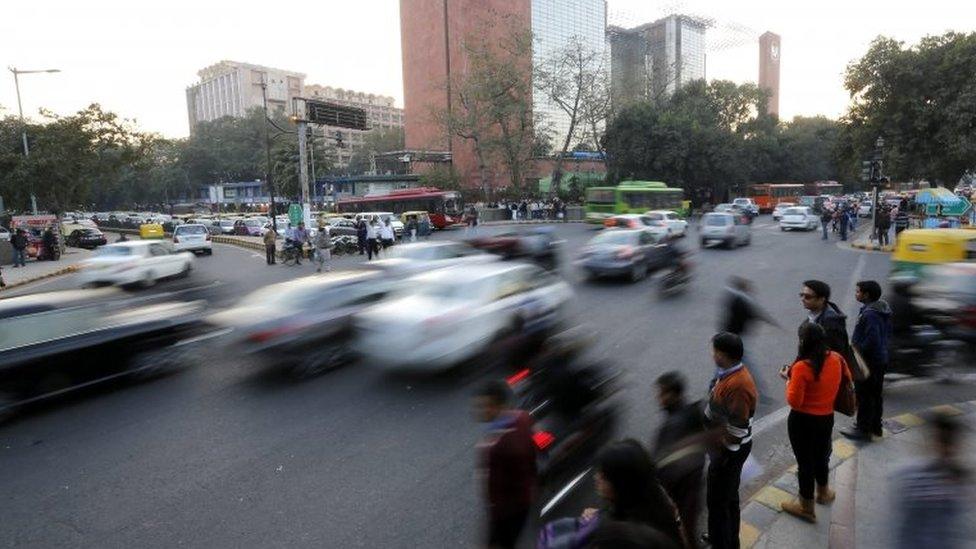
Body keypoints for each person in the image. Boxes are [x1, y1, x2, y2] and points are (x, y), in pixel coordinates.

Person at [779, 323, 846, 523]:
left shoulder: (802, 367)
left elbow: (795, 401)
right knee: (821, 456)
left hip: (802, 422)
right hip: (826, 418)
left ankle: (806, 507)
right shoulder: (837, 358)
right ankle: (823, 492)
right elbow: (847, 379)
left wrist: (788, 380)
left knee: (805, 462)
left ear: (803, 341)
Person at [703, 332, 758, 549]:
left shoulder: (738, 385)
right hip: (726, 451)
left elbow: (737, 430)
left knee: (718, 502)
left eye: (714, 350)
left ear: (723, 355)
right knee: (727, 499)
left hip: (728, 453)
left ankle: (722, 542)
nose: (712, 354)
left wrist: (721, 455)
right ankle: (725, 539)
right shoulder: (727, 374)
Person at [893, 412, 972, 549]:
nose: (947, 449)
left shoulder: (958, 479)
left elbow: (957, 529)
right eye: (942, 441)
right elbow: (905, 528)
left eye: (949, 442)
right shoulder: (913, 476)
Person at [473, 380, 536, 549]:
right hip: (523, 499)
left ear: (500, 406)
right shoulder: (522, 417)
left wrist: (494, 511)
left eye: (486, 406)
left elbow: (493, 486)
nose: (482, 411)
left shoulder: (495, 445)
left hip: (507, 510)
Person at [652, 372, 706, 546]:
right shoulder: (693, 411)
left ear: (675, 395)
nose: (659, 398)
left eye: (663, 393)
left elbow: (662, 465)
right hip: (689, 484)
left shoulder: (672, 426)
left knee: (687, 532)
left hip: (683, 489)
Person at [842, 280, 892, 442]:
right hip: (880, 359)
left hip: (869, 362)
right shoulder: (880, 310)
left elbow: (872, 340)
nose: (856, 294)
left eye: (858, 291)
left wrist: (857, 352)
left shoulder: (870, 314)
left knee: (864, 396)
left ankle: (863, 430)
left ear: (866, 295)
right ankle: (875, 427)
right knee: (875, 395)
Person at [719, 276, 779, 405]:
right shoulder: (742, 302)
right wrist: (772, 322)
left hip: (729, 338)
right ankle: (762, 395)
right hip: (737, 341)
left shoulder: (734, 298)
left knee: (725, 366)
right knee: (750, 368)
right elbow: (757, 314)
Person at [799, 280, 856, 368]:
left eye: (807, 297)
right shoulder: (814, 316)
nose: (802, 299)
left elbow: (834, 354)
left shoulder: (831, 323)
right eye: (801, 295)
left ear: (822, 299)